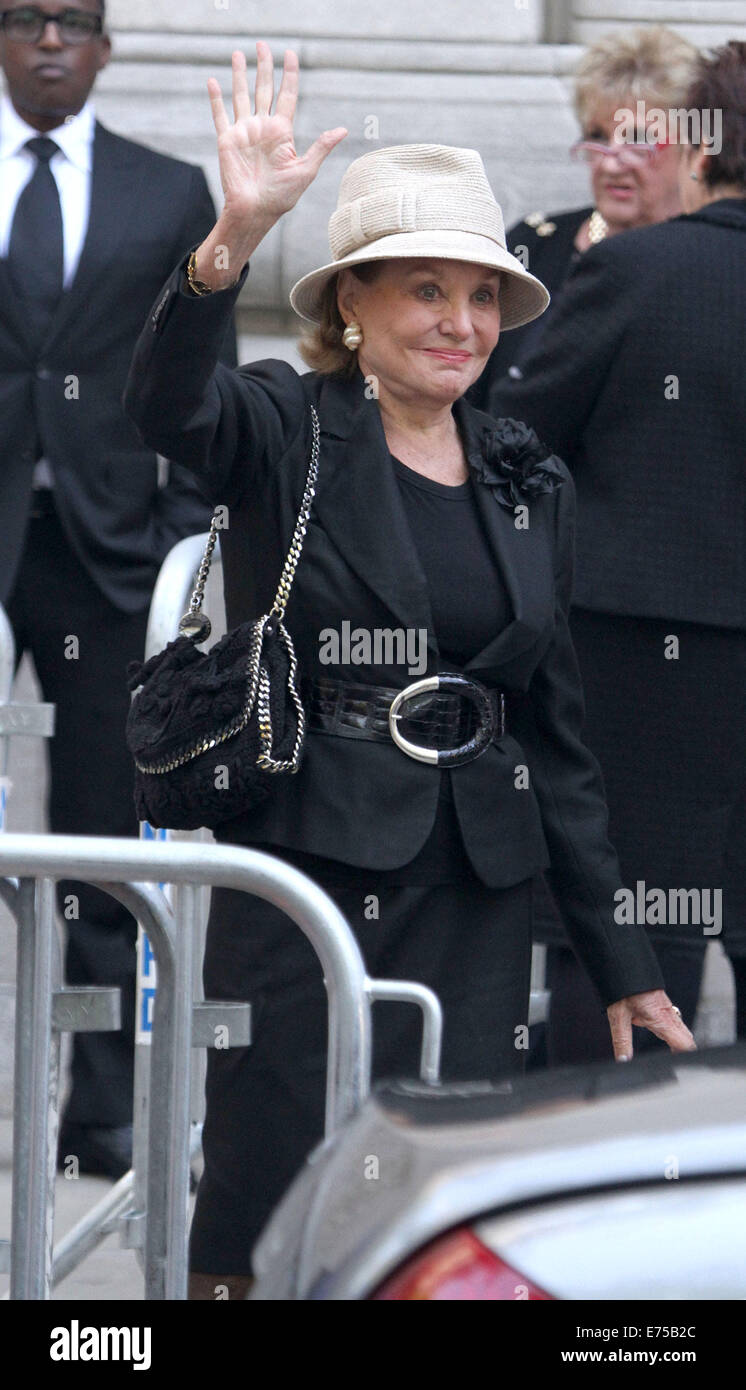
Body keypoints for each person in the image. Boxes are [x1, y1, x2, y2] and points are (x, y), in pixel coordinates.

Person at [124, 43, 695, 1297]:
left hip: (482, 871)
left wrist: (621, 960)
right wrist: (229, 241)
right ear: (351, 306)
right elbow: (164, 409)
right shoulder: (284, 425)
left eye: (482, 297)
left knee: (449, 1174)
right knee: (280, 1155)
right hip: (310, 857)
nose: (461, 324)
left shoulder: (522, 471)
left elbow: (558, 737)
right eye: (425, 292)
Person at [0, 0, 236, 1177]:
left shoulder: (167, 190)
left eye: (73, 21)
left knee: (99, 842)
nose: (50, 40)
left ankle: (99, 1121)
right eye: (24, 18)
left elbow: (200, 379)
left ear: (105, 45)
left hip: (104, 560)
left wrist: (185, 545)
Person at [490, 40, 746, 1066]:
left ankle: (599, 1197)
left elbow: (508, 445)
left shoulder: (636, 270)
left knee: (628, 961)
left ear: (700, 150)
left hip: (637, 672)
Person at [468, 25, 698, 404]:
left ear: (691, 147)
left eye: (638, 139)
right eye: (598, 136)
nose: (610, 164)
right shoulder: (532, 246)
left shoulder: (711, 262)